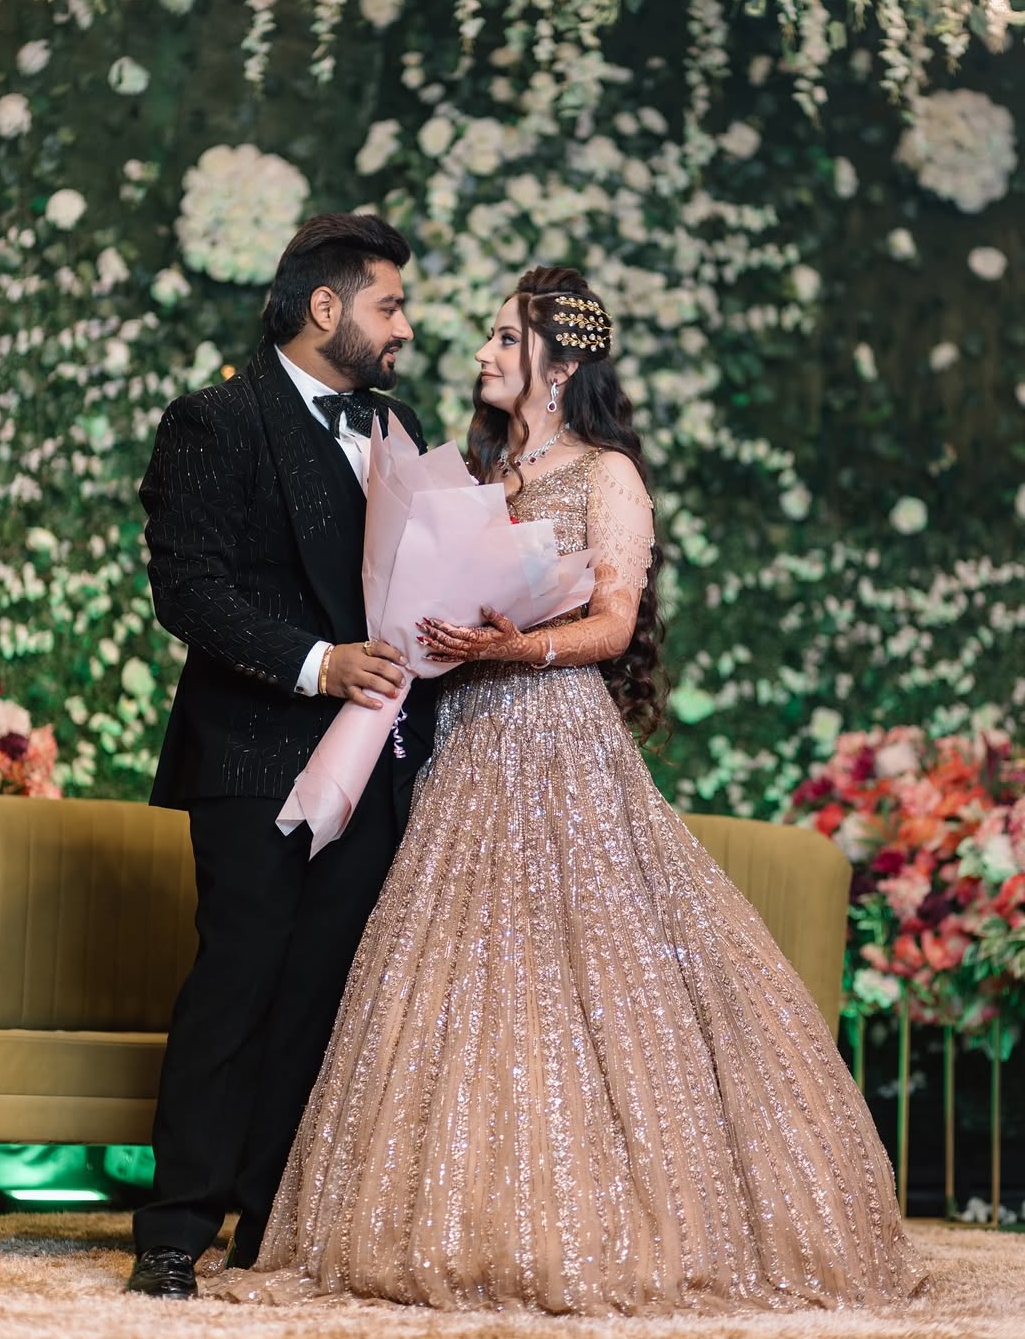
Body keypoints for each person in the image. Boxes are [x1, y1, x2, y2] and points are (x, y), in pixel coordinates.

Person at [209, 266, 926, 1314]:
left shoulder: (607, 472)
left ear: (562, 360)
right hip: (461, 744)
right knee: (456, 971)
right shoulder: (478, 472)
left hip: (554, 739)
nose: (485, 353)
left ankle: (601, 1223)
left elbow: (615, 624)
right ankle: (452, 1213)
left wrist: (513, 647)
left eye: (507, 338)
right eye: (492, 336)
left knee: (585, 968)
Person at [127, 214, 436, 1299]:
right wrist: (320, 664)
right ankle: (173, 1231)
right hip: (256, 753)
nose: (405, 326)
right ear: (324, 306)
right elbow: (189, 591)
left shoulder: (402, 428)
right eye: (390, 304)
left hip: (376, 761)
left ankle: (269, 1226)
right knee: (238, 980)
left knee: (320, 994)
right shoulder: (212, 420)